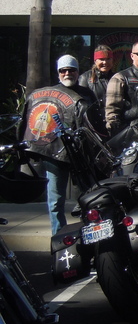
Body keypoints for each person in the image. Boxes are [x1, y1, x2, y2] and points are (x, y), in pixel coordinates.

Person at [20, 55, 97, 234]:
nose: (67, 73)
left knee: (89, 197)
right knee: (55, 200)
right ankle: (59, 239)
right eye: (63, 70)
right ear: (58, 73)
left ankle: (91, 234)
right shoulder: (45, 95)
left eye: (71, 70)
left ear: (78, 72)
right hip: (54, 154)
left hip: (82, 155)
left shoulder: (87, 94)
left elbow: (95, 123)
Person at [78, 44, 114, 126]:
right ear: (95, 61)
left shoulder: (117, 77)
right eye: (101, 59)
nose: (105, 62)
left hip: (113, 123)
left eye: (108, 59)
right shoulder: (85, 78)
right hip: (94, 123)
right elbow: (82, 105)